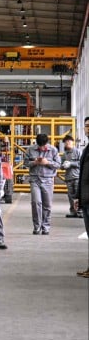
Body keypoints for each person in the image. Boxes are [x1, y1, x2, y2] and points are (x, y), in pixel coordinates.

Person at [25, 133, 61, 235]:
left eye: (43, 146)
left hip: (48, 180)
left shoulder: (53, 150)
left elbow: (58, 165)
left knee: (47, 204)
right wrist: (34, 162)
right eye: (40, 146)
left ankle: (46, 227)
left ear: (47, 143)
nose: (41, 148)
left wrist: (47, 163)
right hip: (35, 179)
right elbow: (25, 163)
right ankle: (37, 227)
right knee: (36, 202)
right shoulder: (30, 149)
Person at [59, 134, 81, 218]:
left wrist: (71, 163)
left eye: (69, 141)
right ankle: (73, 211)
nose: (67, 143)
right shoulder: (64, 155)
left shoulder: (78, 152)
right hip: (68, 178)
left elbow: (81, 164)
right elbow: (61, 166)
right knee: (70, 196)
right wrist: (63, 166)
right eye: (65, 142)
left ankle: (80, 211)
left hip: (77, 177)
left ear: (72, 142)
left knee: (78, 195)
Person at [78, 117, 89, 278]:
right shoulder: (87, 148)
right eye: (87, 126)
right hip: (86, 198)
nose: (88, 129)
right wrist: (78, 197)